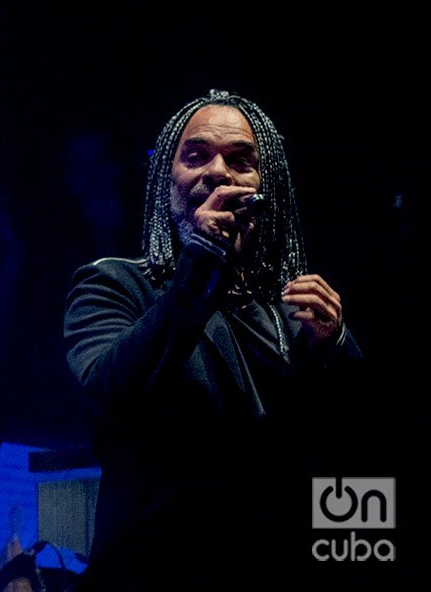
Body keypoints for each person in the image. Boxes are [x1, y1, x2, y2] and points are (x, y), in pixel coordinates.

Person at [63, 90, 363, 590]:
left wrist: (334, 351)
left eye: (241, 161)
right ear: (167, 182)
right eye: (196, 156)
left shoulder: (296, 309)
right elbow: (109, 399)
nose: (218, 173)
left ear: (270, 188)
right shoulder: (115, 285)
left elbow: (357, 463)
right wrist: (200, 263)